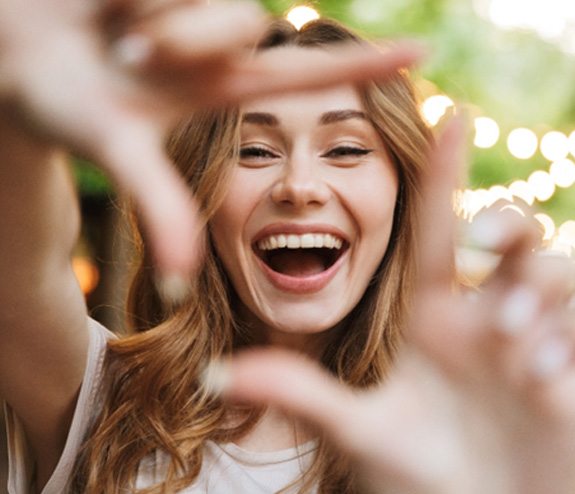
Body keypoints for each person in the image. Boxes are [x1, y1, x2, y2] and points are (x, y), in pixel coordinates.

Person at [2, 2, 574, 494]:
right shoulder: (100, 396)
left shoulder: (481, 425)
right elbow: (21, 265)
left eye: (346, 149)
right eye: (254, 151)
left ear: (404, 196)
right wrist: (18, 112)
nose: (298, 186)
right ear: (201, 191)